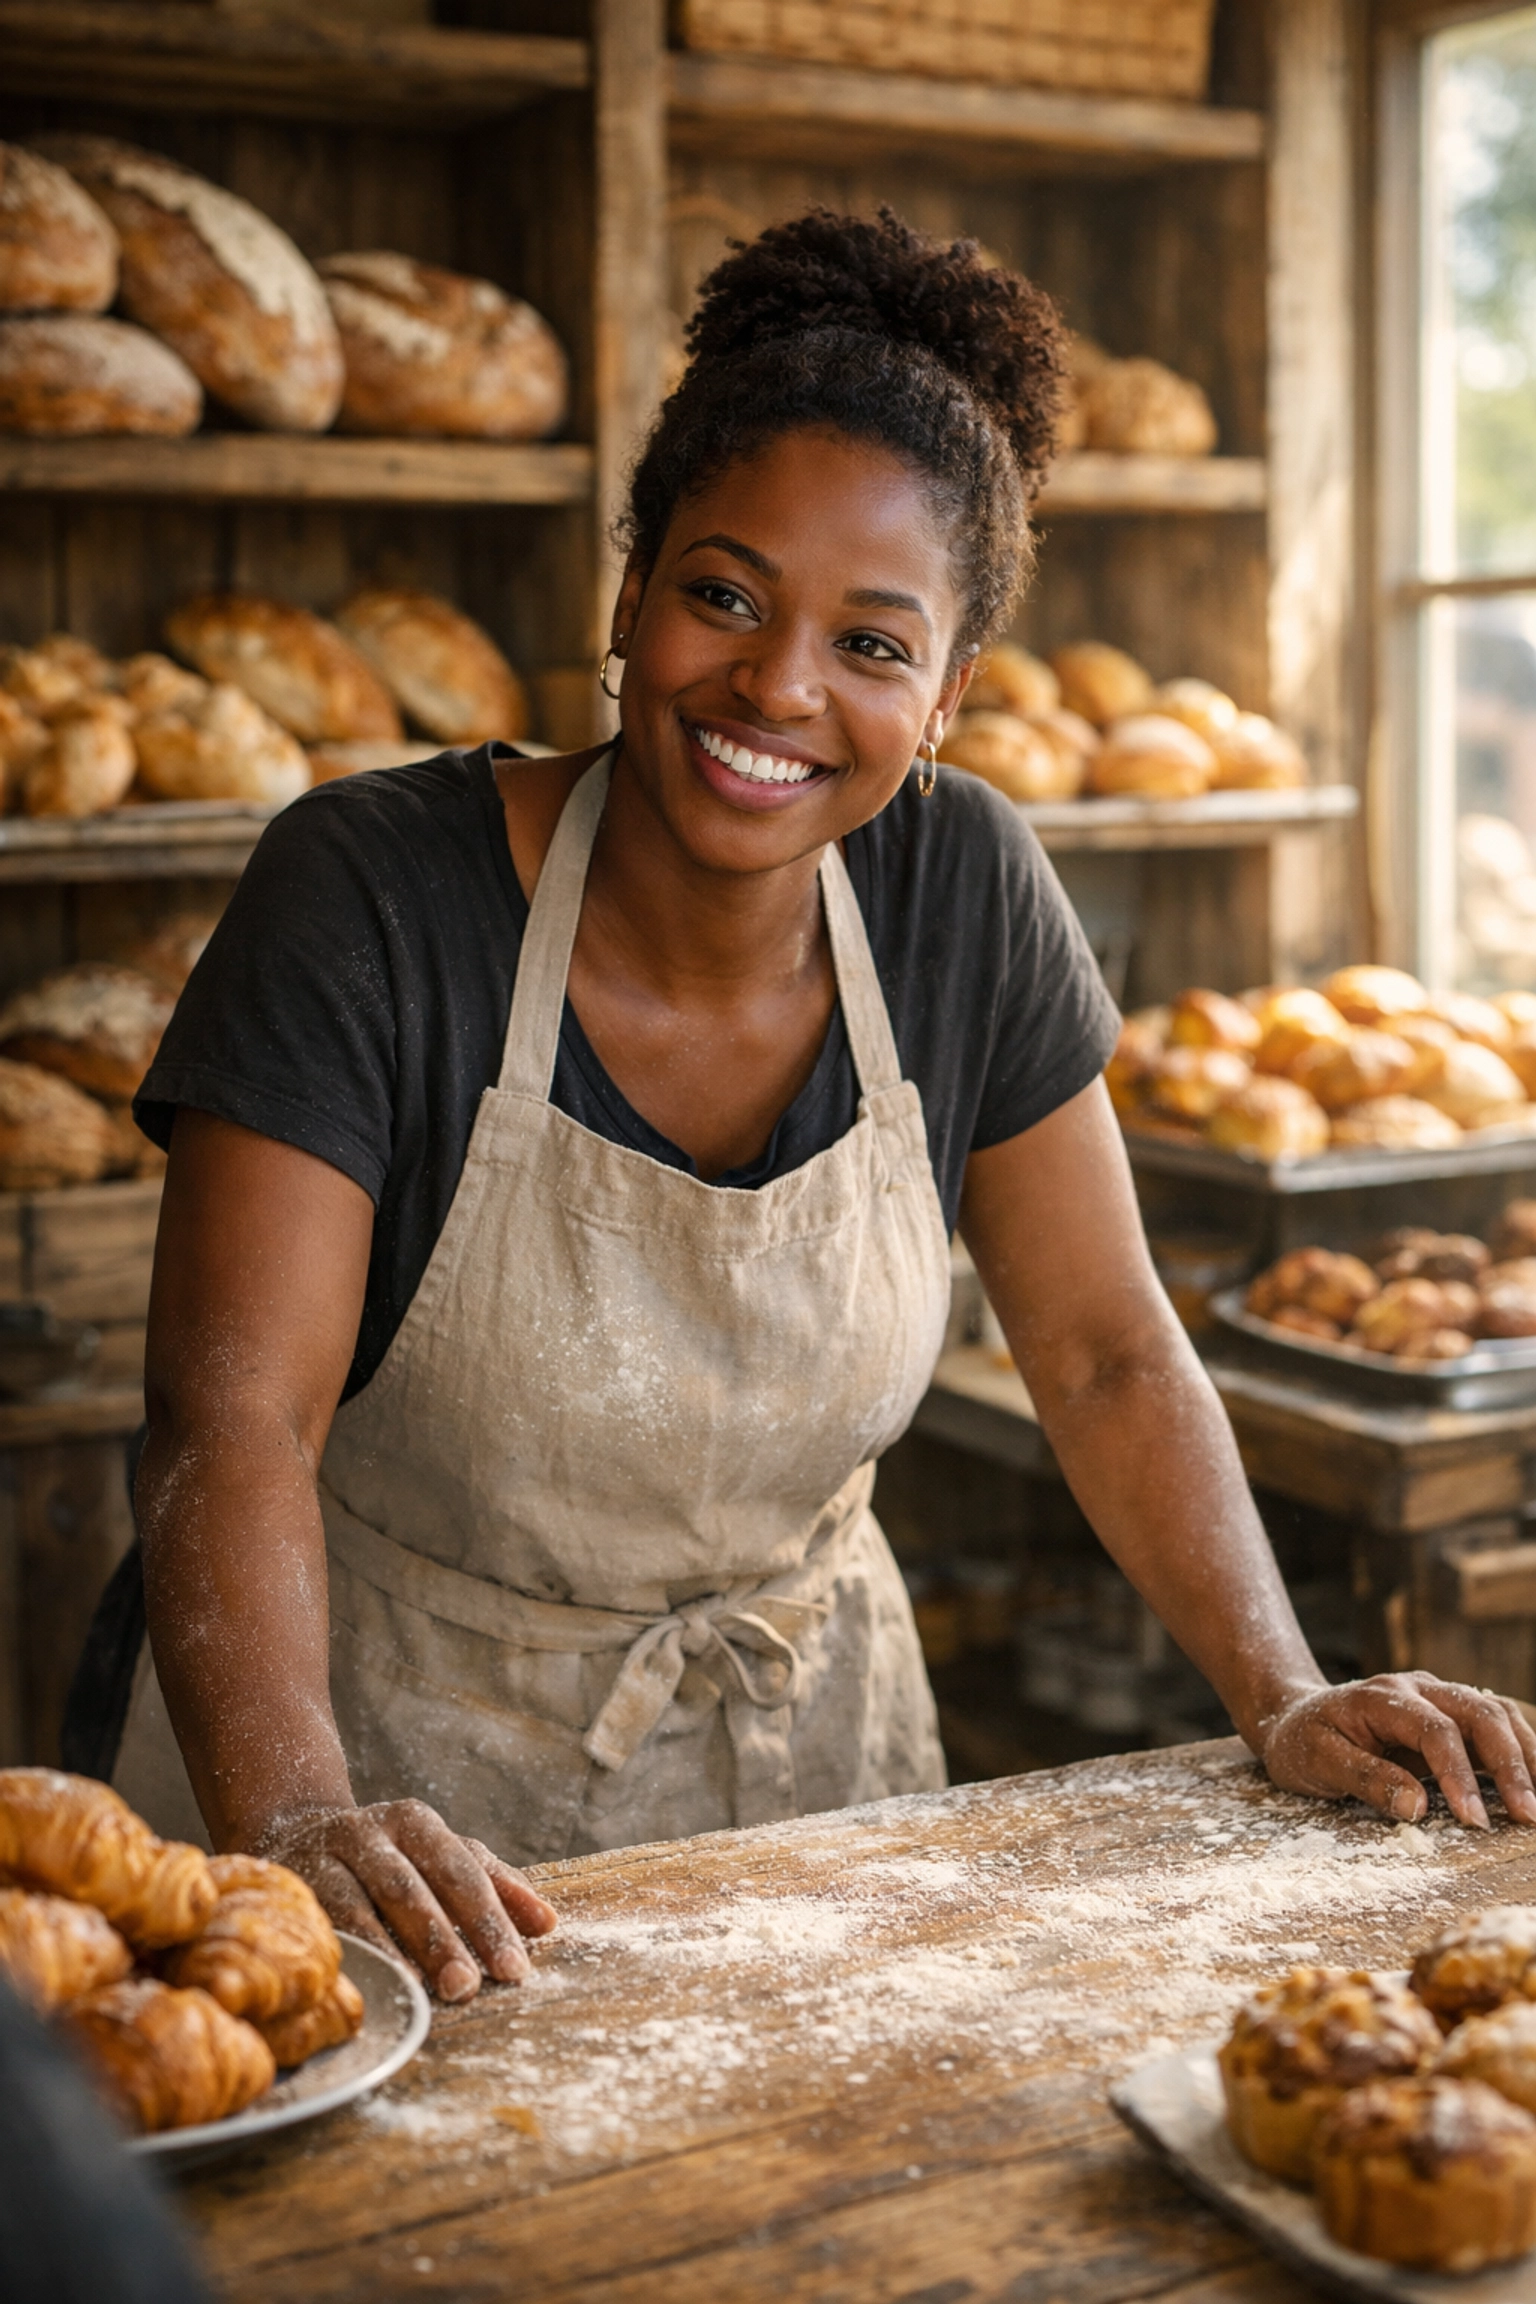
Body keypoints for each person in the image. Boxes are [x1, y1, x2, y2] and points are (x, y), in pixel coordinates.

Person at [108, 209, 1536, 2002]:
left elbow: (1101, 1352)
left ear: (946, 696)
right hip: (391, 1815)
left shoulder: (964, 891)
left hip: (824, 1819)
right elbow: (227, 1420)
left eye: (873, 645)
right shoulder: (371, 894)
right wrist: (298, 1815)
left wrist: (1286, 1686)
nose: (778, 689)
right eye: (725, 594)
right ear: (629, 593)